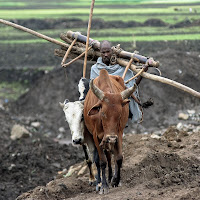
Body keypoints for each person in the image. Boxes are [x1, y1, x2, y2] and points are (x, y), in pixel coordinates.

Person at [90, 40, 148, 123]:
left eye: (108, 52)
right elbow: (93, 90)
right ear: (100, 52)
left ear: (112, 51)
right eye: (103, 52)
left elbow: (132, 86)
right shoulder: (95, 69)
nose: (106, 55)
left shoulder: (122, 69)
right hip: (102, 105)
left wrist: (142, 72)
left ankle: (128, 116)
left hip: (118, 104)